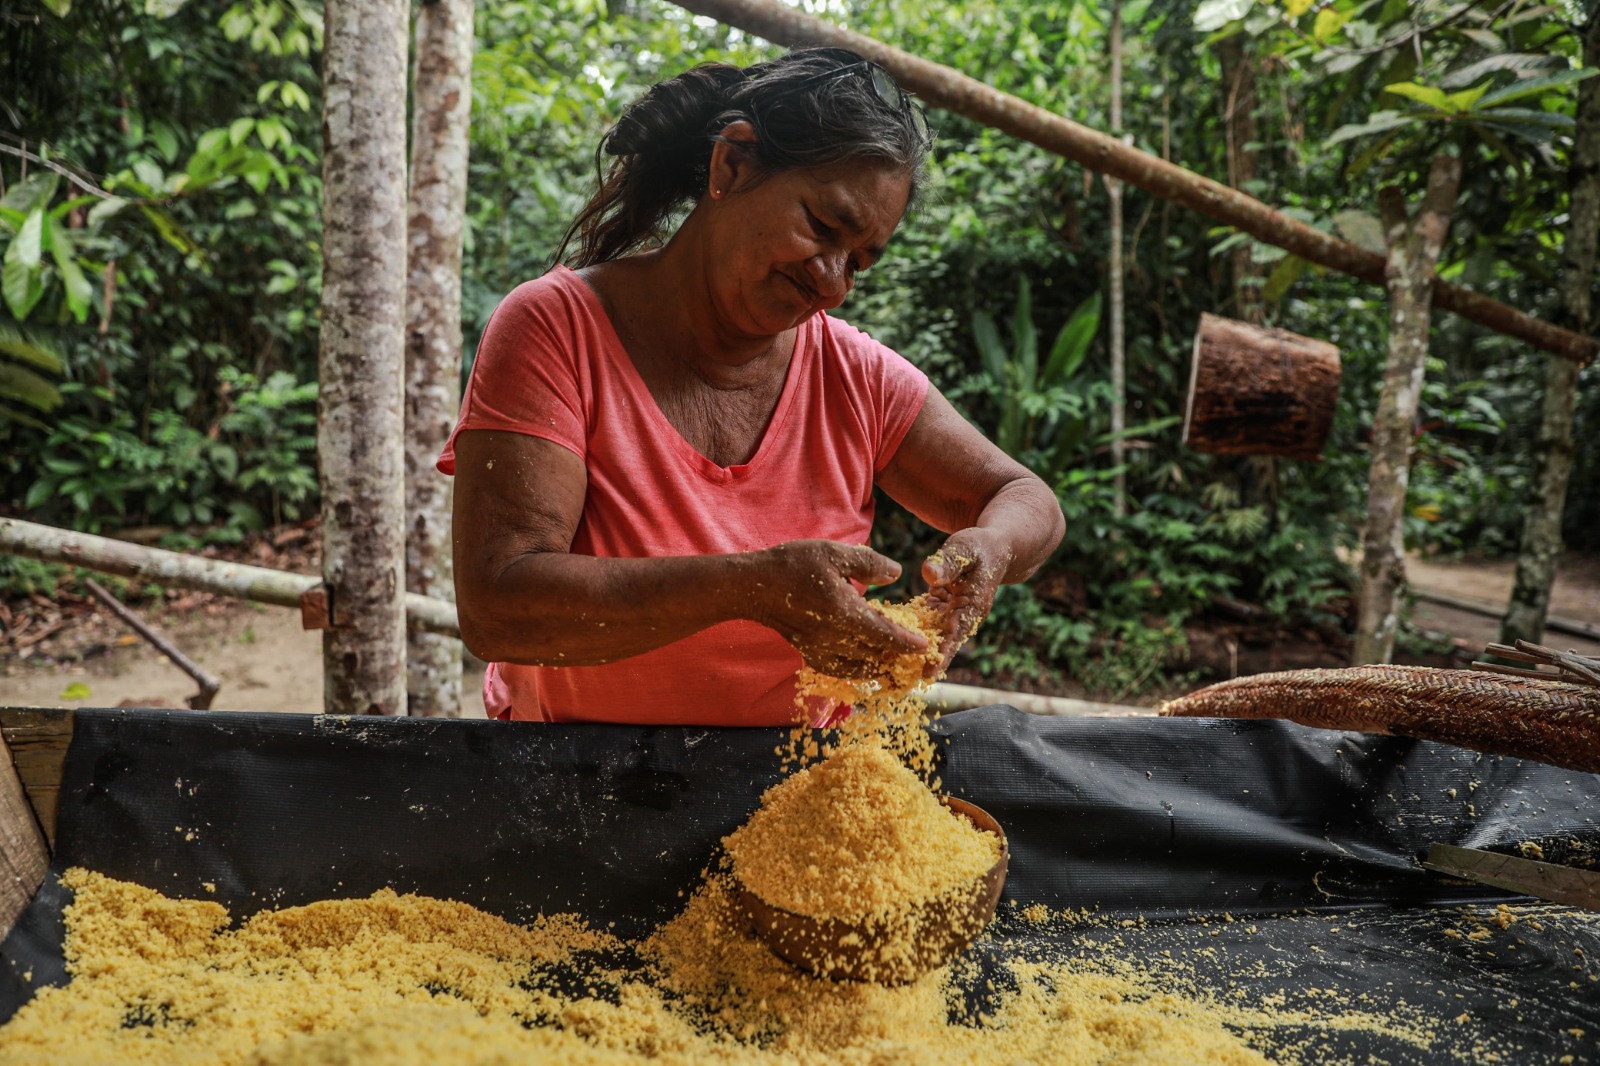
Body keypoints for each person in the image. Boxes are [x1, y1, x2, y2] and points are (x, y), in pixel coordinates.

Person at [441, 48, 1064, 725]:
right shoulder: (554, 328)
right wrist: (752, 588)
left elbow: (1027, 499)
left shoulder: (854, 377)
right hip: (570, 783)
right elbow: (499, 608)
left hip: (798, 794)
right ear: (731, 165)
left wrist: (993, 547)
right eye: (823, 228)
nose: (832, 282)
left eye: (859, 262)